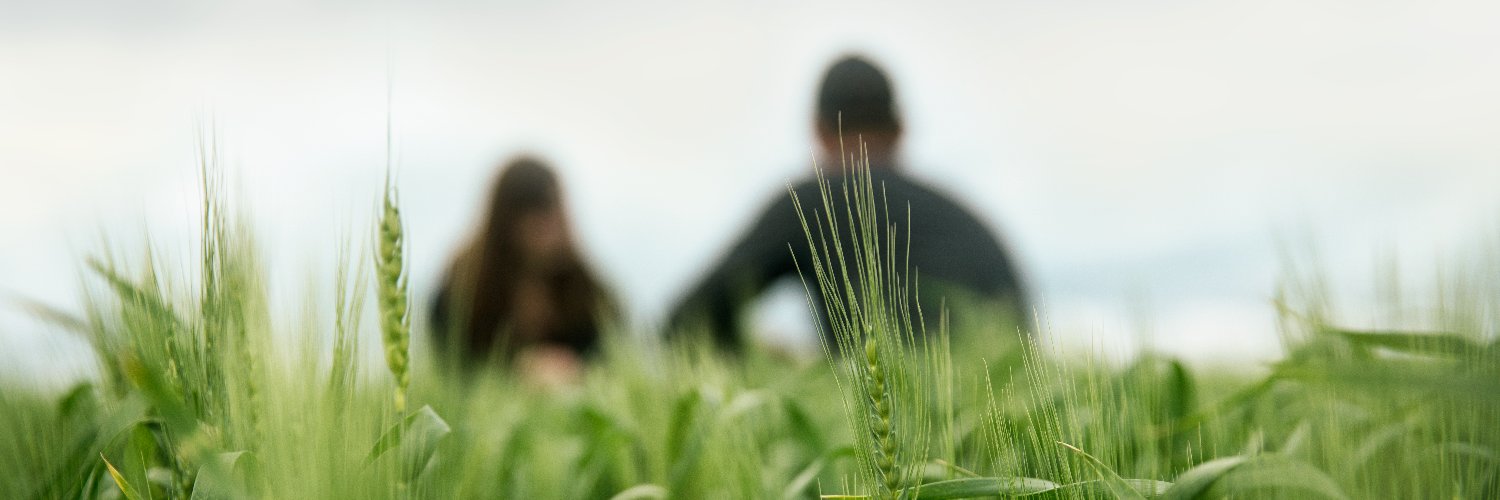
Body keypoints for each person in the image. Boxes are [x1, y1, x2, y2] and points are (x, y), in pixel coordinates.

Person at [668, 55, 1029, 351]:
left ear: (818, 131)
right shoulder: (968, 219)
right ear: (901, 128)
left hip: (877, 421)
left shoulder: (810, 202)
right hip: (1002, 413)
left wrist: (767, 369)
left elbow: (684, 320)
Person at [431, 157, 614, 380]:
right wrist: (518, 370)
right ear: (507, 224)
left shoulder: (586, 290)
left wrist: (572, 367)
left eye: (551, 219)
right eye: (535, 224)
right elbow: (454, 371)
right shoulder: (461, 292)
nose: (547, 236)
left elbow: (606, 360)